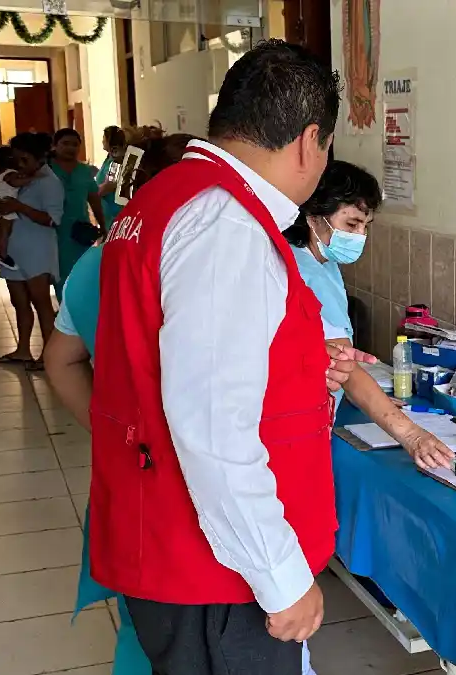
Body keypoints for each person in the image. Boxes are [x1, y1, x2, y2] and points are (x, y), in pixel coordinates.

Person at [88, 40, 374, 675]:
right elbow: (211, 426)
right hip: (213, 569)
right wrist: (281, 578)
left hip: (166, 531)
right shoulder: (228, 226)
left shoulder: (167, 199)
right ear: (309, 141)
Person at [283, 160, 455, 470]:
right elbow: (342, 364)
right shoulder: (302, 272)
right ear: (313, 217)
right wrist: (411, 434)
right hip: (294, 424)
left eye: (365, 226)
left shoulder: (322, 262)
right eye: (351, 225)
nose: (360, 236)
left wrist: (377, 400)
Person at [0, 132, 62, 368]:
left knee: (41, 301)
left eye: (24, 160)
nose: (19, 165)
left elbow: (52, 220)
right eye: (16, 159)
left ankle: (49, 355)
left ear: (38, 158)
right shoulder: (18, 178)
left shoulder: (50, 182)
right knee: (19, 301)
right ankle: (22, 349)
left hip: (38, 250)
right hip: (15, 249)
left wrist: (18, 206)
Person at [49, 128, 105, 296]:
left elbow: (93, 199)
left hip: (79, 232)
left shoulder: (84, 171)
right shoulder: (46, 170)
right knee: (58, 275)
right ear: (55, 146)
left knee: (80, 274)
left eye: (75, 145)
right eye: (65, 144)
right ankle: (64, 310)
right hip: (51, 231)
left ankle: (74, 311)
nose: (70, 148)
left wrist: (103, 225)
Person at [0, 145, 26, 271]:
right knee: (5, 233)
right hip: (6, 207)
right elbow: (16, 183)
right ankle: (3, 256)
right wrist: (34, 178)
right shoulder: (11, 174)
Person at [96, 126, 127, 227]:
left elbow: (110, 184)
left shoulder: (116, 159)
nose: (102, 141)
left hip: (114, 211)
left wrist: (92, 193)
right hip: (106, 212)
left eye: (104, 138)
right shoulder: (109, 158)